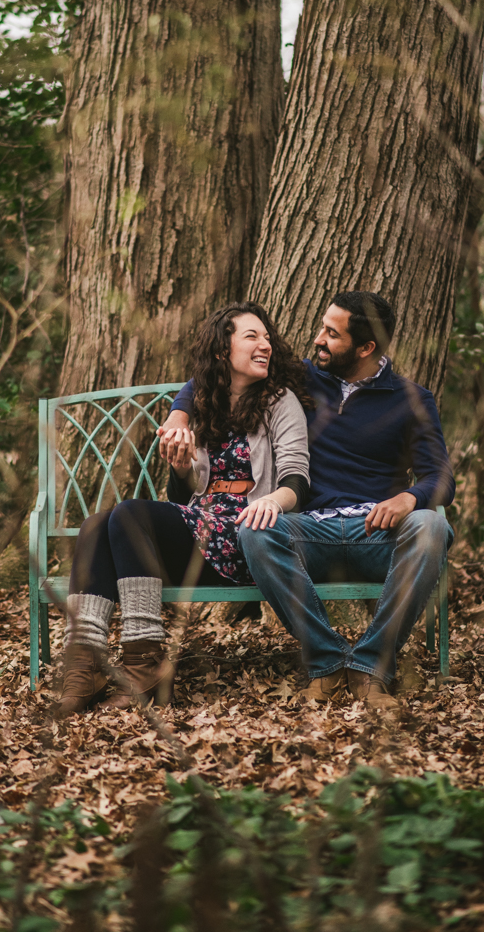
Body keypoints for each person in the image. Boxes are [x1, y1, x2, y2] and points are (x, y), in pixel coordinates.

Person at [162, 291, 455, 713]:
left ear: (366, 348)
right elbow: (215, 373)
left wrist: (409, 499)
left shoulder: (412, 400)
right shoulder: (301, 377)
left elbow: (441, 476)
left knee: (432, 527)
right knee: (255, 530)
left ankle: (373, 667)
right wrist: (179, 415)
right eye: (322, 326)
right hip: (309, 531)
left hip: (377, 532)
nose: (318, 339)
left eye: (331, 334)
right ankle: (327, 662)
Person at [59, 302, 311, 715]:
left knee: (128, 514)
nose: (265, 343)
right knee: (94, 525)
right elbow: (185, 501)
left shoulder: (280, 402)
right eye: (252, 337)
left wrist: (271, 502)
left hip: (247, 535)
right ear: (221, 351)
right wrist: (180, 468)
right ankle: (84, 666)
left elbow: (297, 481)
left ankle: (147, 663)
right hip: (201, 533)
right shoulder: (204, 403)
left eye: (267, 337)